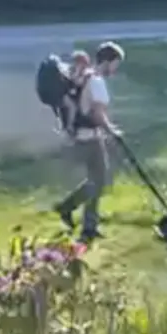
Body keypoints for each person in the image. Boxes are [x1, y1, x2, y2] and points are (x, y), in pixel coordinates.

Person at [52, 41, 125, 242]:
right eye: (116, 64)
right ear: (108, 62)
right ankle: (71, 211)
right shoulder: (97, 81)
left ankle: (88, 225)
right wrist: (113, 132)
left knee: (97, 180)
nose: (116, 69)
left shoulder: (84, 76)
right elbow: (97, 113)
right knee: (99, 181)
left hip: (81, 136)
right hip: (90, 138)